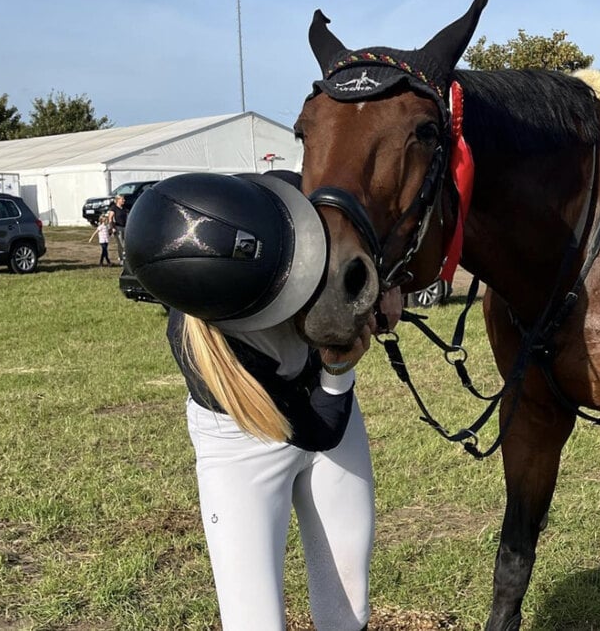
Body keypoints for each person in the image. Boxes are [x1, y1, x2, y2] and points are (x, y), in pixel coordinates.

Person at [124, 172, 401, 631]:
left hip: (326, 412)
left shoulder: (280, 195)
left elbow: (358, 210)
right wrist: (337, 369)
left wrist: (384, 279)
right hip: (246, 440)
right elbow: (319, 431)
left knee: (348, 606)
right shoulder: (208, 361)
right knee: (254, 620)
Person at [106, 194, 129, 261]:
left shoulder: (124, 208)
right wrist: (112, 227)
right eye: (122, 199)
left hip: (125, 227)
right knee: (121, 244)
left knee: (125, 243)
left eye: (124, 199)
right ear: (118, 200)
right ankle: (122, 259)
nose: (124, 200)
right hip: (118, 228)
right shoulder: (114, 208)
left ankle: (123, 258)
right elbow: (110, 218)